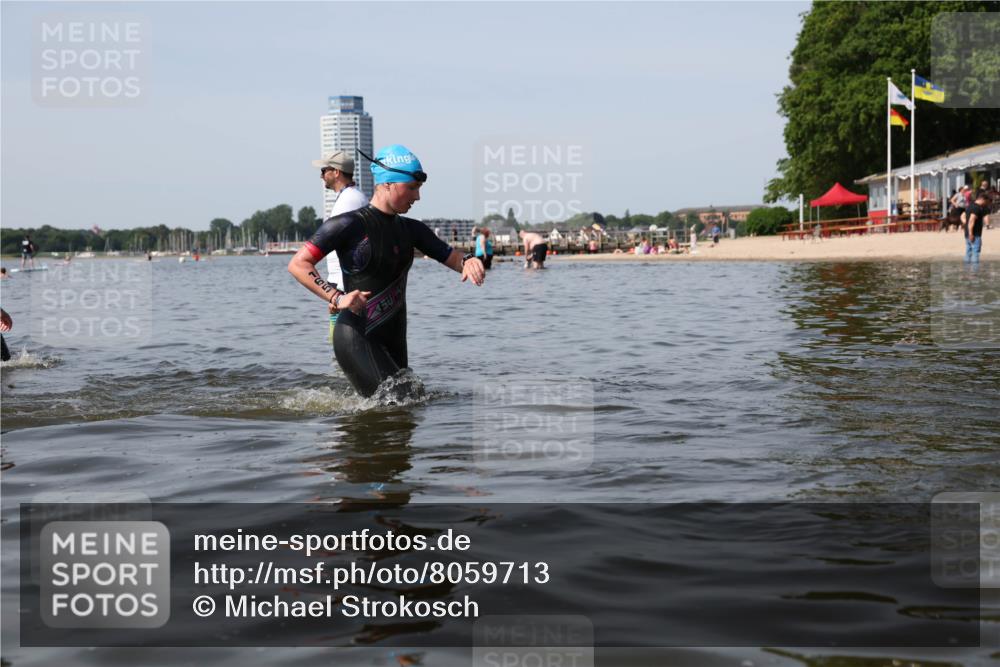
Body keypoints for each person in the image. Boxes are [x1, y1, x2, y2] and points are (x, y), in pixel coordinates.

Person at [288, 144, 485, 398]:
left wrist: (468, 260)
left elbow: (453, 258)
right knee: (400, 402)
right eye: (412, 188)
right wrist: (337, 297)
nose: (417, 197)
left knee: (408, 409)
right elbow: (298, 264)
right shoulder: (348, 225)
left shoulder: (413, 230)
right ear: (388, 183)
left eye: (419, 189)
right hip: (356, 336)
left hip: (394, 338)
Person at [312, 150, 370, 342]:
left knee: (343, 344)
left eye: (324, 170)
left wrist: (339, 294)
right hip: (342, 281)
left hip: (346, 282)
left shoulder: (350, 200)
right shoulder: (349, 197)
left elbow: (339, 240)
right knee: (340, 342)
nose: (321, 176)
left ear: (336, 172)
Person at [963, 191, 990, 264]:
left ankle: (967, 270)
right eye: (986, 201)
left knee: (968, 252)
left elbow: (962, 216)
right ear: (982, 199)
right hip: (974, 235)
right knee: (975, 253)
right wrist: (971, 233)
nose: (986, 203)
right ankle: (975, 273)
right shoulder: (977, 208)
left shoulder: (970, 206)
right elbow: (972, 220)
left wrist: (966, 225)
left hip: (967, 234)